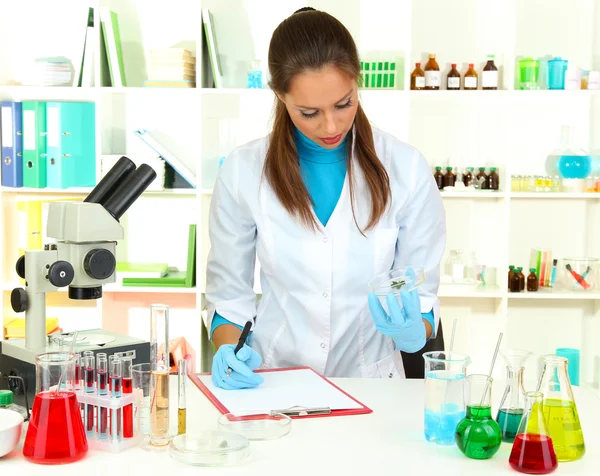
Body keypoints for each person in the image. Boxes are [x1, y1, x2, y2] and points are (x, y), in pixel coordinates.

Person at [204, 8, 446, 390]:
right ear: (280, 95)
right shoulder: (242, 170)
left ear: (357, 81)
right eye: (310, 112)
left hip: (373, 385)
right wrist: (229, 350)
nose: (330, 126)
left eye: (344, 103)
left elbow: (423, 294)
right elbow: (229, 297)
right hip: (274, 380)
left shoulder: (406, 168)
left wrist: (416, 330)